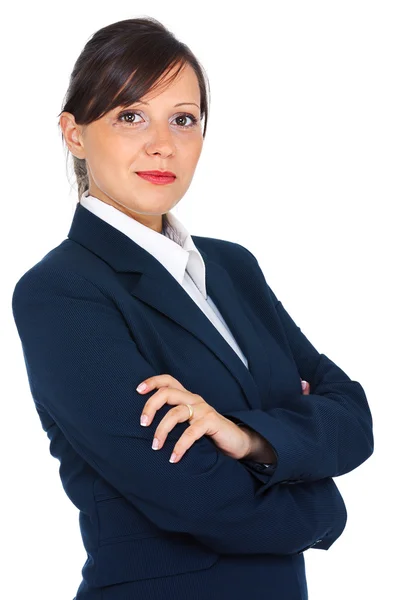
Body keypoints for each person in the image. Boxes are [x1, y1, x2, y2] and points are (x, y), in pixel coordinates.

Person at [11, 16, 374, 600]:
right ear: (74, 134)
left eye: (183, 119)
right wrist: (326, 506)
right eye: (130, 116)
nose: (162, 143)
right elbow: (198, 498)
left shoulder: (233, 268)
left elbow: (353, 416)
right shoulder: (61, 291)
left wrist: (247, 439)